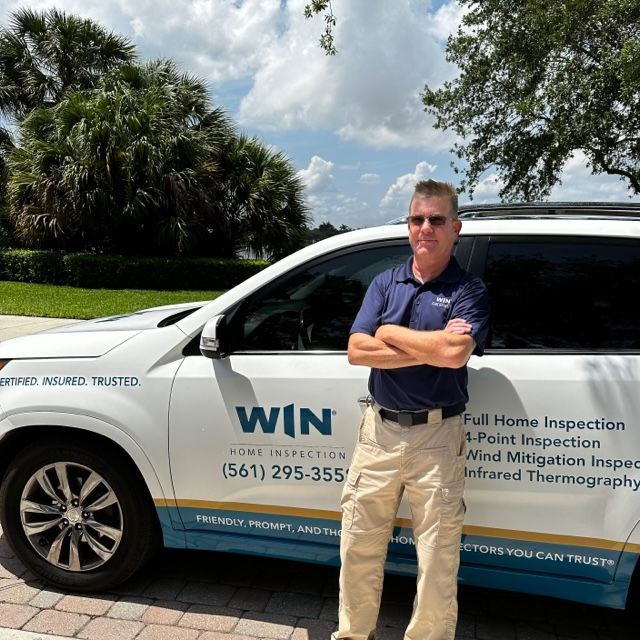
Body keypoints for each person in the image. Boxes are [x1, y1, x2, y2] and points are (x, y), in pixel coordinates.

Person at [334, 179, 490, 640]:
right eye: (417, 219)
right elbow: (357, 351)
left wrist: (388, 332)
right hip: (378, 432)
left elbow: (455, 354)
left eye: (437, 219)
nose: (426, 228)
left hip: (438, 437)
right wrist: (431, 347)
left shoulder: (469, 288)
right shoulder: (385, 282)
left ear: (455, 228)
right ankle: (353, 635)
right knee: (357, 545)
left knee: (437, 557)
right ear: (408, 225)